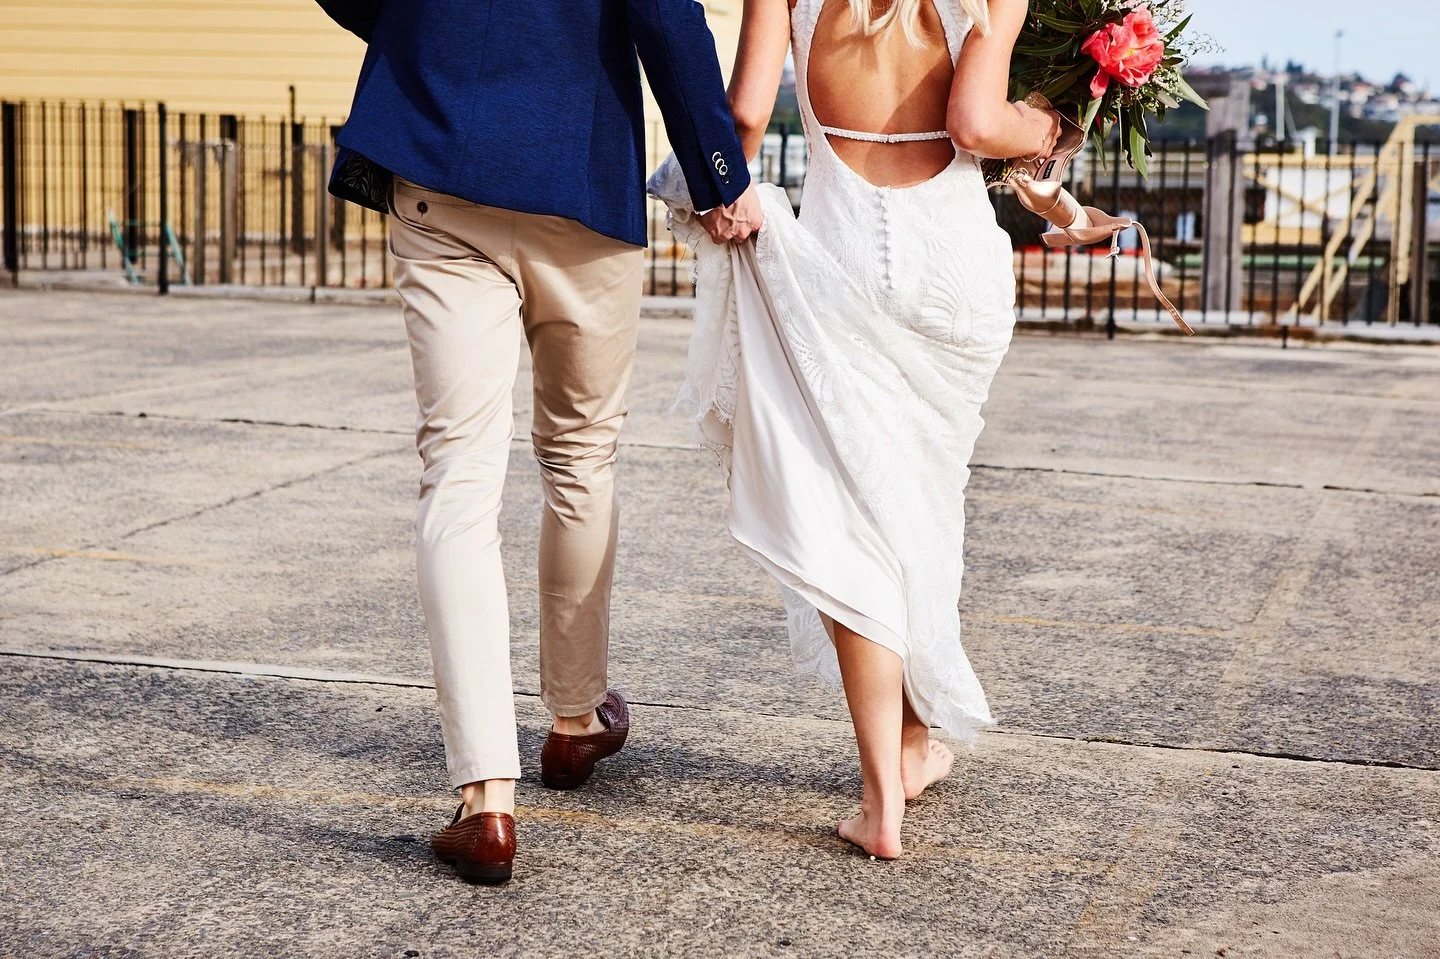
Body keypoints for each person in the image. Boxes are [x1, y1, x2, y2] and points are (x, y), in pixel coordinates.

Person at [313, 0, 764, 885]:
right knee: (582, 457)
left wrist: (425, 29)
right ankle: (573, 718)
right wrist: (721, 174)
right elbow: (668, 20)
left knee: (457, 475)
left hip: (438, 152)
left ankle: (487, 799)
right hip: (578, 181)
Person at [650, 0, 1059, 859]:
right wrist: (1049, 121)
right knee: (919, 510)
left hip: (834, 265)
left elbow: (747, 115)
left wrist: (718, 195)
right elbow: (978, 123)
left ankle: (889, 782)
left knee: (855, 521)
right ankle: (907, 750)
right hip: (951, 275)